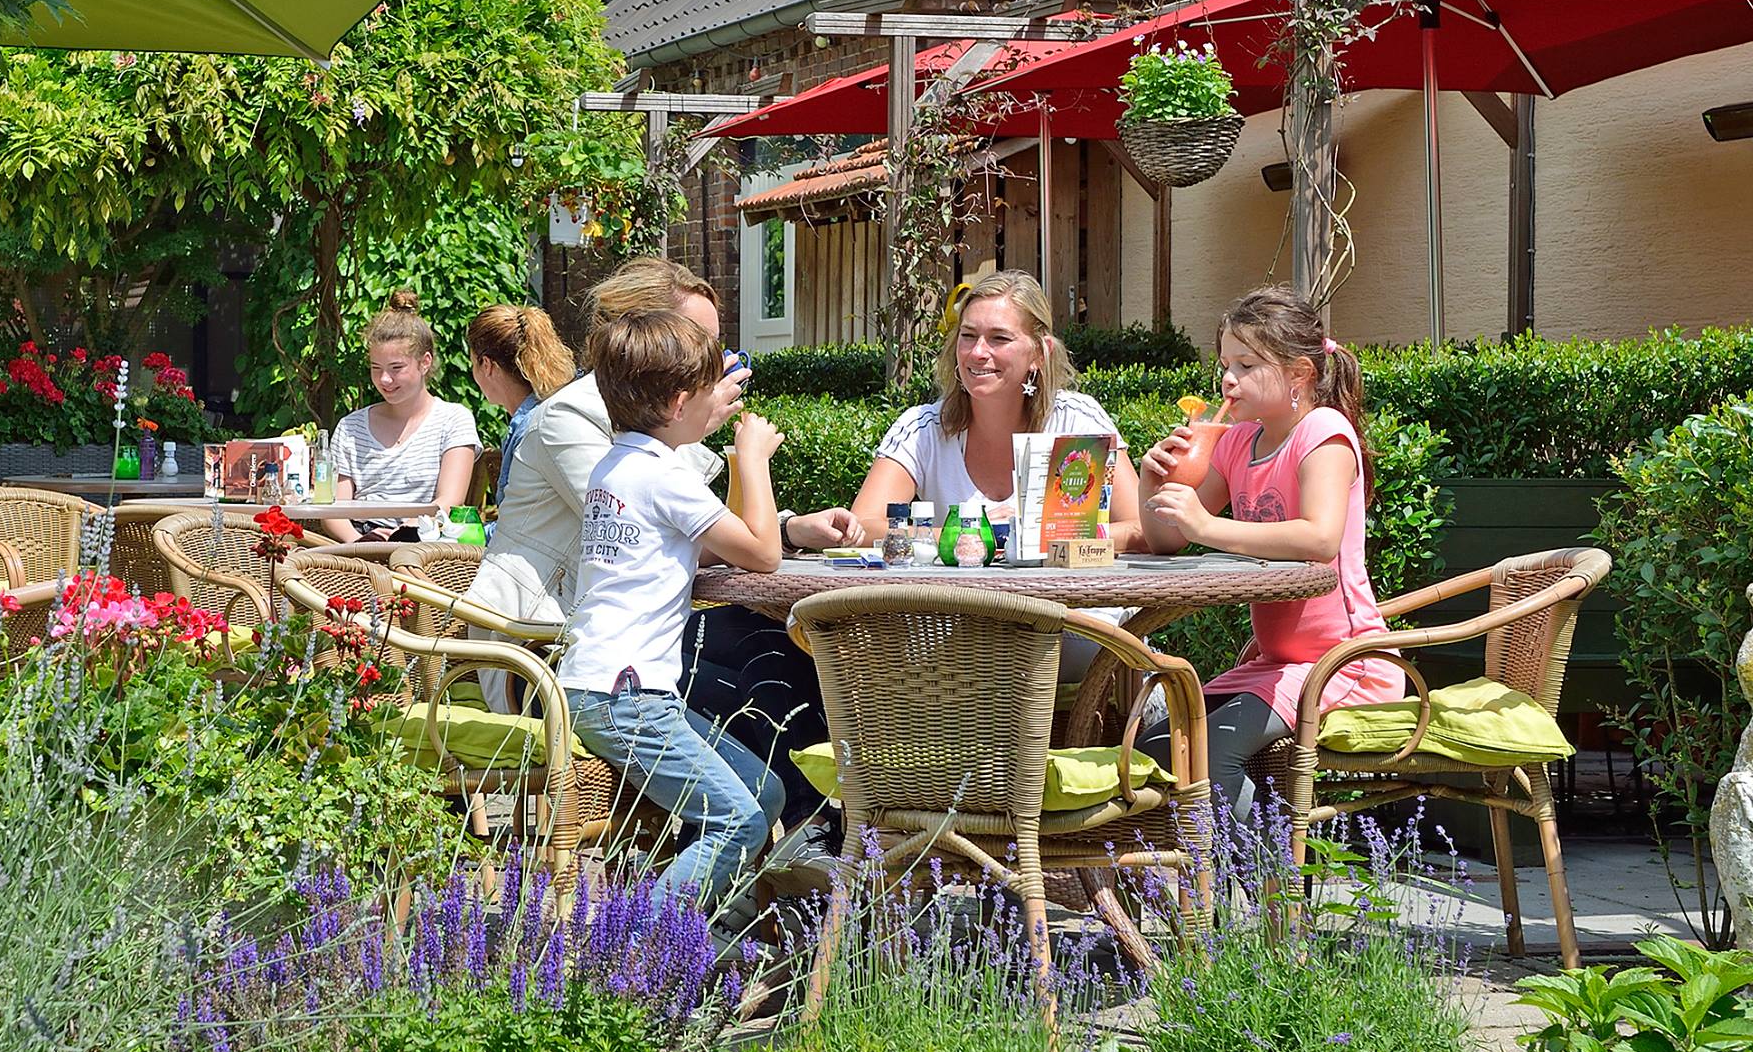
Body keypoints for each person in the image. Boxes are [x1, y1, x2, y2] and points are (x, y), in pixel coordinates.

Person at [473, 256, 846, 826]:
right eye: (701, 348)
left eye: (718, 349)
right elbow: (703, 533)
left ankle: (782, 842)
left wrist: (793, 526)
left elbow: (711, 529)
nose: (719, 367)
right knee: (732, 667)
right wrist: (739, 454)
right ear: (647, 347)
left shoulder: (641, 440)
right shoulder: (571, 422)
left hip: (604, 653)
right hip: (540, 653)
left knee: (762, 642)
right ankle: (735, 856)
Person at [1135, 286, 1395, 816]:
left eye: (1248, 365)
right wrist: (1151, 480)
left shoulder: (1323, 432)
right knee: (1160, 743)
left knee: (1216, 750)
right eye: (1226, 364)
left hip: (1344, 664)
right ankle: (1217, 883)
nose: (1229, 380)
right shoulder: (1237, 442)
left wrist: (1208, 525)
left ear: (1299, 374)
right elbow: (1169, 539)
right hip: (1276, 664)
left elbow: (1320, 539)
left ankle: (1271, 891)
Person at [559, 306, 788, 903]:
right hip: (627, 699)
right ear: (682, 403)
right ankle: (639, 957)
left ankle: (704, 925)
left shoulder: (618, 466)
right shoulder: (665, 476)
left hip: (607, 690)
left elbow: (678, 551)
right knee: (738, 819)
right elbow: (763, 552)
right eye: (713, 388)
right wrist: (752, 458)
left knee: (763, 793)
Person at [827, 269, 1146, 554]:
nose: (978, 352)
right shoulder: (922, 428)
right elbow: (863, 526)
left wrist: (1039, 535)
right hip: (968, 616)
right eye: (968, 336)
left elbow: (1141, 529)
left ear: (1039, 352)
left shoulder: (1077, 420)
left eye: (999, 338)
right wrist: (965, 533)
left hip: (1069, 612)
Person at [322, 292, 477, 542]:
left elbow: (450, 501)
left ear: (424, 362)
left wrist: (406, 532)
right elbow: (335, 510)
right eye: (376, 368)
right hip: (360, 545)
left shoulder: (454, 419)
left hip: (424, 541)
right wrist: (359, 544)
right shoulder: (351, 428)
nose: (384, 380)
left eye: (396, 368)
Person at [463, 302, 574, 532]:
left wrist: (457, 536)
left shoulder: (530, 428)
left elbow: (516, 526)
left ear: (487, 365)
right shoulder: (542, 414)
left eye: (472, 363)